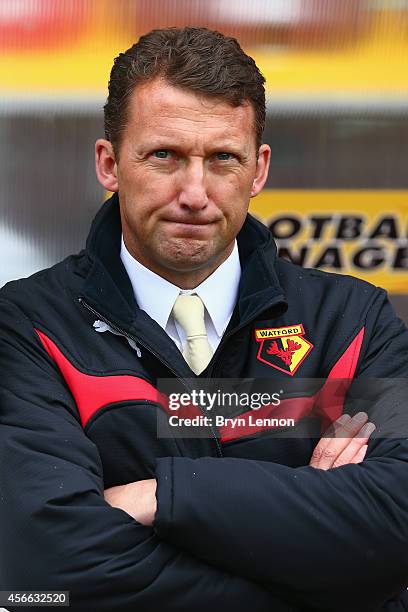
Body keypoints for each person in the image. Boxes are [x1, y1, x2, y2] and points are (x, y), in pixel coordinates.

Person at [0, 26, 407, 612]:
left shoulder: (352, 321)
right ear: (109, 163)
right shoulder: (28, 326)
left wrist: (160, 498)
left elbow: (398, 524)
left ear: (258, 170)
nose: (195, 192)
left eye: (222, 159)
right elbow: (39, 570)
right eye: (164, 155)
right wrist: (326, 565)